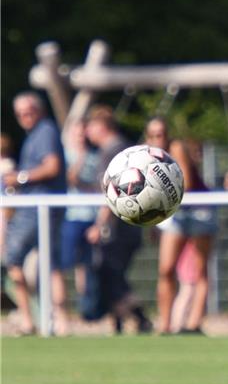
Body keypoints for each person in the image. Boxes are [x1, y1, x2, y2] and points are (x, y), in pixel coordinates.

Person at [1, 92, 68, 335]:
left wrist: (19, 177)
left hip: (38, 208)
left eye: (28, 112)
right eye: (20, 114)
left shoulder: (45, 131)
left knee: (13, 258)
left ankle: (30, 320)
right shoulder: (39, 133)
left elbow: (52, 167)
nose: (24, 118)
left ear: (39, 110)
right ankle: (58, 322)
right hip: (43, 207)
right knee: (51, 262)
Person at [144, 117, 217, 335]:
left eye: (162, 133)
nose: (159, 138)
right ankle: (165, 325)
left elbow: (186, 183)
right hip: (174, 213)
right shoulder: (145, 157)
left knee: (200, 269)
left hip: (198, 209)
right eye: (154, 135)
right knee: (166, 269)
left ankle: (193, 324)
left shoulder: (176, 148)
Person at [84, 105, 152, 333]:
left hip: (119, 227)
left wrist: (99, 224)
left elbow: (115, 192)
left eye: (90, 127)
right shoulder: (117, 148)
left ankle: (139, 317)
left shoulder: (113, 150)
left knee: (112, 274)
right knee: (112, 274)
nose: (87, 132)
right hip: (124, 225)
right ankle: (120, 323)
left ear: (101, 126)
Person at [60, 118, 99, 311]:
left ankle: (85, 309)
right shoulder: (65, 155)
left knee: (86, 266)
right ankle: (61, 310)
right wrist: (80, 159)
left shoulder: (95, 156)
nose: (81, 136)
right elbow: (71, 179)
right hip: (71, 217)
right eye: (77, 132)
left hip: (90, 217)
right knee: (64, 264)